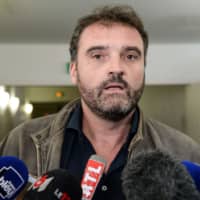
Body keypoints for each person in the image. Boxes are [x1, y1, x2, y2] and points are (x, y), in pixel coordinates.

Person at [1, 5, 200, 200]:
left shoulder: (184, 152)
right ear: (74, 71)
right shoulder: (20, 142)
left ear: (143, 68)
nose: (116, 68)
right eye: (98, 56)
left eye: (130, 56)